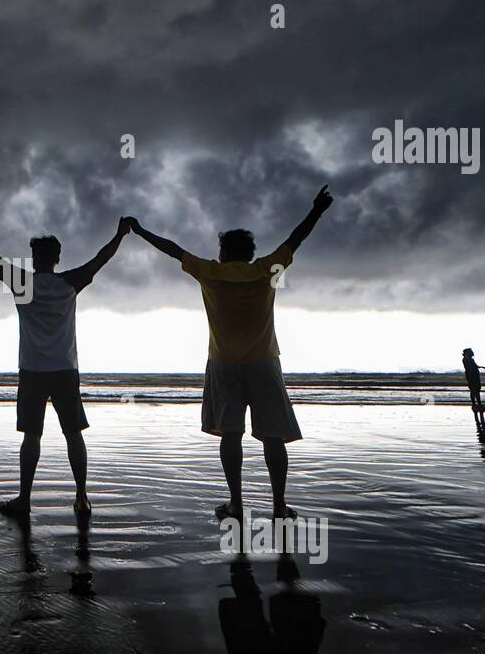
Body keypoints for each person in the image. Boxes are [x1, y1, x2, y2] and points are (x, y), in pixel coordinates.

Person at [129, 185, 334, 521]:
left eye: (220, 246)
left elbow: (172, 249)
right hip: (264, 364)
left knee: (231, 435)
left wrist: (139, 231)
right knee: (272, 438)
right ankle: (279, 506)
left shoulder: (211, 272)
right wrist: (317, 210)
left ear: (224, 251)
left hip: (224, 365)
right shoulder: (266, 270)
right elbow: (295, 239)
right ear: (249, 253)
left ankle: (236, 503)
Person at [0, 207, 130, 520]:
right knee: (73, 434)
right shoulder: (69, 281)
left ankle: (24, 499)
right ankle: (82, 496)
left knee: (31, 436)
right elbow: (102, 259)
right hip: (64, 369)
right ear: (57, 258)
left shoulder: (22, 283)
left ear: (34, 259)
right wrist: (119, 235)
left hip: (33, 371)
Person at [462, 349, 485, 413]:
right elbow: (469, 367)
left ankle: (479, 404)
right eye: (471, 352)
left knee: (477, 390)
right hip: (471, 377)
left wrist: (477, 367)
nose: (473, 353)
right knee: (473, 391)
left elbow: (474, 366)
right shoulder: (466, 359)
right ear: (467, 353)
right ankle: (474, 405)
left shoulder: (471, 359)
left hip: (476, 377)